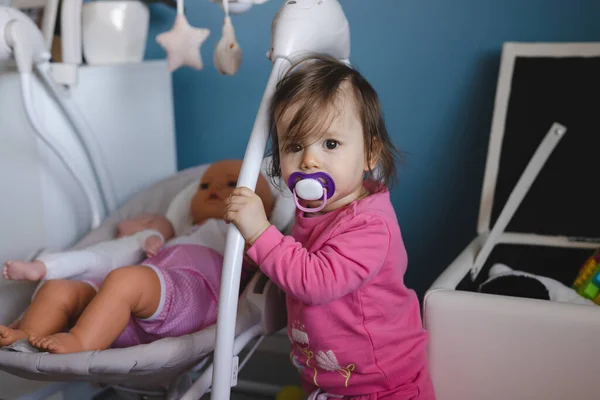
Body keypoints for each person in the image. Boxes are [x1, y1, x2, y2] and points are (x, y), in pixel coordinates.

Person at [224, 55, 435, 399]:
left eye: (330, 144)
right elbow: (288, 262)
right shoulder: (314, 213)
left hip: (382, 386)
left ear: (370, 153)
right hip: (329, 380)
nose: (309, 159)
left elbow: (315, 281)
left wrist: (261, 233)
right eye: (294, 146)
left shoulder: (370, 226)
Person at [0, 160, 274, 353]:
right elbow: (126, 233)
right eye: (204, 187)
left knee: (126, 280)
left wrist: (255, 227)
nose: (213, 189)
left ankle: (80, 342)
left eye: (230, 184)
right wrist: (150, 228)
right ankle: (28, 334)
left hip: (191, 296)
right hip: (124, 309)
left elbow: (263, 256)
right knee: (58, 287)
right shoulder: (174, 230)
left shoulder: (239, 234)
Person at [2, 214, 174, 284]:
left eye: (142, 217)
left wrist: (153, 241)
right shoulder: (122, 241)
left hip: (106, 263)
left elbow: (154, 237)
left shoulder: (142, 236)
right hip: (95, 278)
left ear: (146, 224)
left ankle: (37, 267)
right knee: (54, 284)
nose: (134, 217)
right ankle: (24, 320)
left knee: (82, 257)